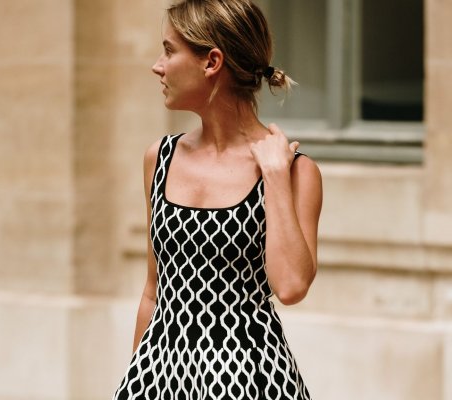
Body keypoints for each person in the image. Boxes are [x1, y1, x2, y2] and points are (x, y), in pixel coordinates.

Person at [113, 0, 322, 399]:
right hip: (160, 379)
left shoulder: (296, 172)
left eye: (170, 51)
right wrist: (136, 380)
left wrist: (275, 177)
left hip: (252, 382)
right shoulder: (160, 158)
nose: (157, 66)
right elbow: (153, 291)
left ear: (212, 62)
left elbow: (292, 286)